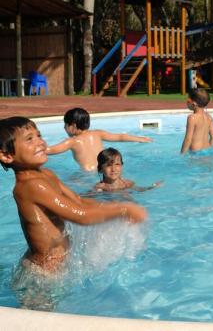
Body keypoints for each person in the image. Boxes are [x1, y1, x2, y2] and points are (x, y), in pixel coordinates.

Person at [0, 117, 147, 273]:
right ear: (6, 155)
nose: (40, 142)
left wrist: (112, 207)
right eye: (29, 139)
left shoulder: (47, 174)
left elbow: (78, 201)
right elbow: (81, 216)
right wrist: (122, 210)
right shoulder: (30, 185)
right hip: (43, 273)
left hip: (57, 266)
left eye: (39, 135)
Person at [46, 107, 152, 171]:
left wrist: (32, 147)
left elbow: (51, 150)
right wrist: (139, 138)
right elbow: (120, 136)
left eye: (65, 125)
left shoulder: (72, 142)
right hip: (104, 169)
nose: (64, 127)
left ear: (73, 126)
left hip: (88, 174)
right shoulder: (98, 133)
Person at [94, 148, 162, 192]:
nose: (113, 169)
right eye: (108, 165)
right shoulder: (100, 187)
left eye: (117, 164)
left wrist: (152, 187)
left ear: (121, 166)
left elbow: (140, 190)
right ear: (100, 169)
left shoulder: (127, 184)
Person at [180, 88, 213, 154]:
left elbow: (188, 139)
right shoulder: (209, 118)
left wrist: (182, 154)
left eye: (188, 100)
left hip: (195, 152)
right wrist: (210, 147)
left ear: (194, 103)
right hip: (207, 150)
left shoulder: (192, 118)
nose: (186, 102)